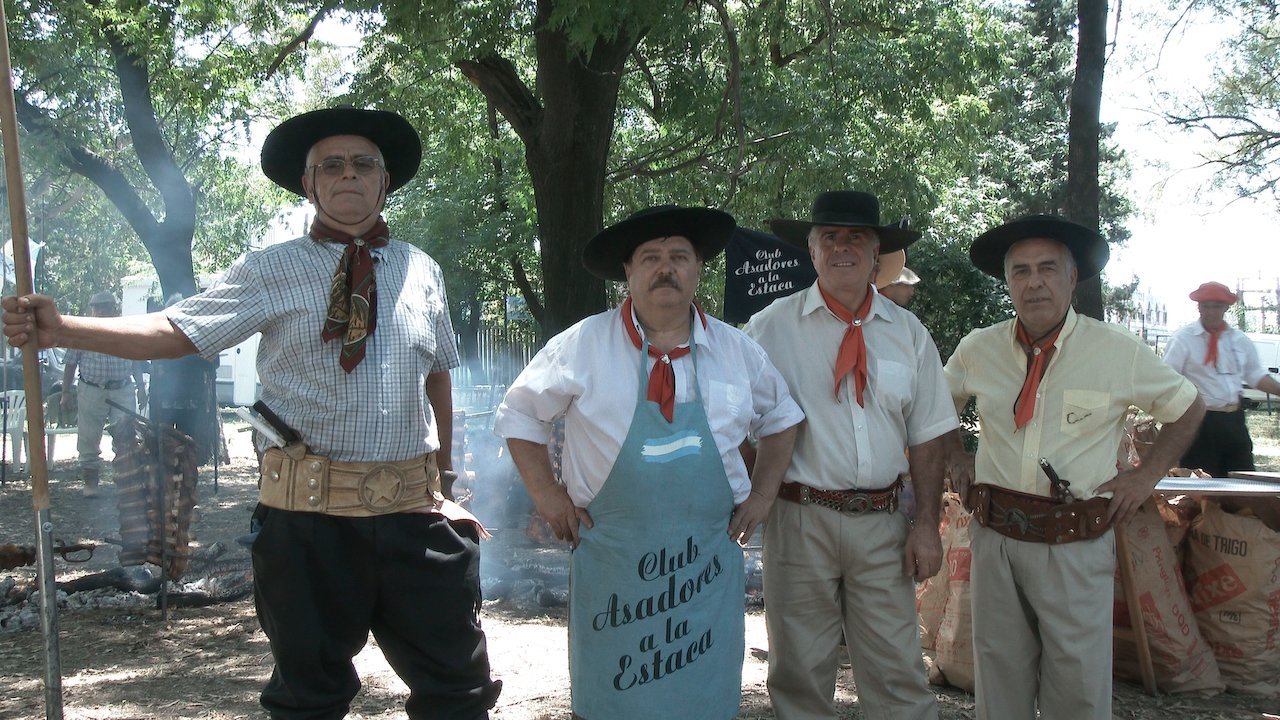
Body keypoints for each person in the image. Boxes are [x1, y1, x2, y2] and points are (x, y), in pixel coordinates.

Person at [3, 107, 502, 719]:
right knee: (307, 700)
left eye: (363, 163)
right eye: (331, 166)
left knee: (460, 692)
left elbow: (439, 372)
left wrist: (446, 484)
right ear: (308, 185)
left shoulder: (423, 269)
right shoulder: (269, 269)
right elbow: (176, 330)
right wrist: (64, 330)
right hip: (307, 524)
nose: (349, 175)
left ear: (385, 180)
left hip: (417, 518)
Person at [494, 205, 804, 720]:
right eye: (651, 257)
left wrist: (764, 495)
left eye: (679, 256)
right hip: (613, 561)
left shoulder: (737, 351)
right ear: (629, 272)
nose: (666, 268)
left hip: (705, 563)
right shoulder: (581, 346)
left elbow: (782, 418)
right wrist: (549, 498)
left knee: (702, 699)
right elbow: (520, 416)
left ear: (698, 269)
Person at [943, 214, 1206, 720]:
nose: (1033, 281)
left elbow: (1188, 406)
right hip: (995, 537)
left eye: (1046, 268)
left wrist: (1143, 477)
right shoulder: (979, 348)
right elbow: (937, 405)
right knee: (998, 682)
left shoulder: (1116, 351)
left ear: (1071, 278)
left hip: (1075, 541)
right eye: (1020, 271)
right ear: (1007, 282)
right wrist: (957, 452)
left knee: (1078, 690)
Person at [743, 190, 959, 720]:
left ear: (876, 251)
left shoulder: (909, 334)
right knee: (798, 673)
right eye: (829, 237)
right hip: (798, 520)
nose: (843, 247)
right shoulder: (768, 329)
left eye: (856, 237)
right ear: (812, 251)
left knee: (898, 674)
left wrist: (927, 524)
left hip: (883, 524)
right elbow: (738, 424)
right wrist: (750, 499)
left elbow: (929, 436)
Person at [1163, 281, 1280, 478]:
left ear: (1226, 307)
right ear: (1198, 307)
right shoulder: (1183, 339)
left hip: (1234, 421)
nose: (1209, 312)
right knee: (1202, 487)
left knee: (1243, 482)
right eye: (1205, 306)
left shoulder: (1238, 340)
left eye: (1216, 306)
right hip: (1199, 423)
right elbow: (1167, 380)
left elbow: (1255, 376)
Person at [60, 291, 147, 497]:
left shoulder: (127, 331)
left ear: (114, 309)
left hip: (123, 389)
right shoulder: (81, 333)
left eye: (105, 307)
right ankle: (91, 484)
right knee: (89, 437)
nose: (100, 311)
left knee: (126, 436)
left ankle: (126, 484)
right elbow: (70, 364)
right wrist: (65, 392)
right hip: (91, 389)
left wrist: (141, 388)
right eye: (97, 308)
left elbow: (136, 362)